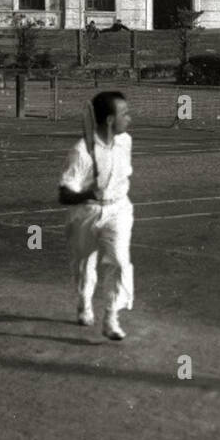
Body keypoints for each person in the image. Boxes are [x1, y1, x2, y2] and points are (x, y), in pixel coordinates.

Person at [59, 91, 135, 341]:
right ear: (111, 120)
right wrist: (87, 193)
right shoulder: (81, 152)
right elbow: (64, 194)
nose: (130, 118)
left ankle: (111, 316)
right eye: (124, 114)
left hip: (119, 210)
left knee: (120, 262)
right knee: (83, 266)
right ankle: (84, 302)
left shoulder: (126, 142)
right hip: (86, 213)